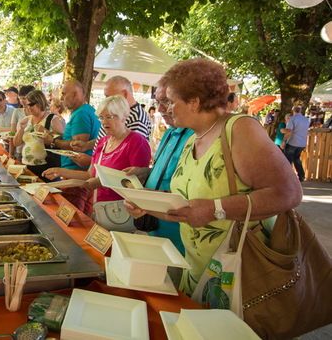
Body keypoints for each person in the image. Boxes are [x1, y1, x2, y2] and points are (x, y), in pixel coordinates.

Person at [124, 58, 302, 296]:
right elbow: (188, 205)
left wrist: (214, 209)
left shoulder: (240, 129)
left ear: (194, 102)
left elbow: (289, 193)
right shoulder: (192, 139)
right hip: (198, 272)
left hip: (238, 276)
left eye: (172, 101)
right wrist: (145, 205)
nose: (167, 108)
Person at [42, 95, 150, 209]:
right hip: (98, 207)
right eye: (101, 117)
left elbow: (138, 182)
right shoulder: (103, 142)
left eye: (109, 117)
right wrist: (59, 171)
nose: (104, 122)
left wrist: (100, 182)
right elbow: (89, 174)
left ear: (123, 117)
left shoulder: (136, 142)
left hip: (122, 210)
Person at [123, 82, 193, 254]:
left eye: (167, 102)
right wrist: (145, 172)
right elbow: (166, 171)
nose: (161, 109)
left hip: (180, 237)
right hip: (154, 228)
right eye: (157, 102)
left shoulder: (196, 137)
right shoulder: (169, 133)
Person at [43, 80, 101, 213]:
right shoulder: (85, 111)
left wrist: (53, 141)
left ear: (75, 95)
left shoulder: (81, 114)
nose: (61, 98)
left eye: (64, 94)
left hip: (76, 178)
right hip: (78, 176)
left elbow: (76, 147)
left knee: (73, 219)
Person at [69, 76, 151, 166]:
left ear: (124, 94)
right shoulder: (115, 112)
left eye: (109, 96)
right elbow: (111, 138)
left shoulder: (136, 118)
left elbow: (126, 160)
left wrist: (91, 162)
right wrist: (86, 145)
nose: (106, 100)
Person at [12, 90, 65, 180]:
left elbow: (62, 142)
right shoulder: (27, 119)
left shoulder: (52, 119)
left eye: (31, 104)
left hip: (46, 167)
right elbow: (16, 143)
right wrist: (21, 129)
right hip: (26, 165)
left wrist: (46, 132)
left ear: (40, 103)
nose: (28, 107)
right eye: (27, 105)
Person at [282, 106, 310, 182]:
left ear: (293, 110)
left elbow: (288, 131)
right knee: (297, 159)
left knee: (288, 160)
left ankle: (287, 177)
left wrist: (283, 136)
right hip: (302, 143)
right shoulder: (306, 120)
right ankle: (301, 176)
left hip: (293, 142)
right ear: (301, 110)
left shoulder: (293, 119)